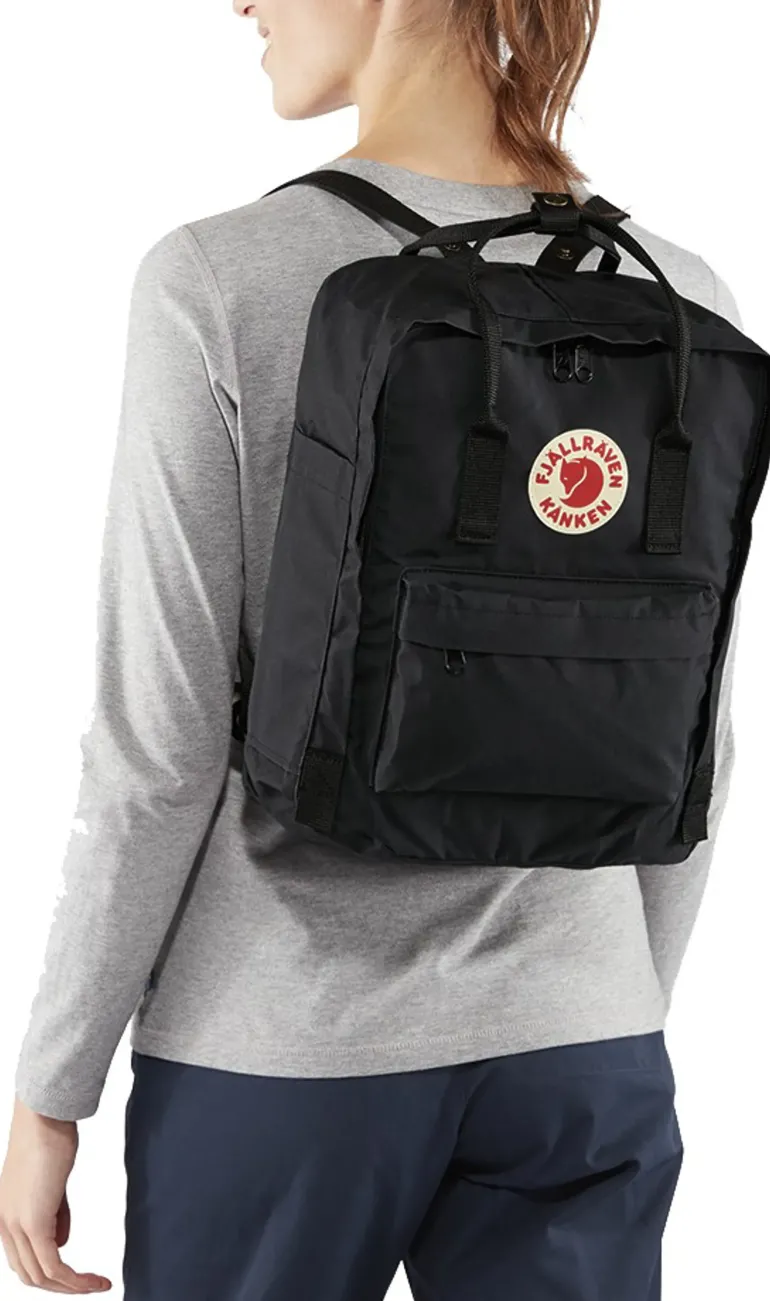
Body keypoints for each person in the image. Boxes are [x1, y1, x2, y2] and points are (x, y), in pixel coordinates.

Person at [0, 0, 743, 1296]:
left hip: (280, 1055)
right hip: (584, 1060)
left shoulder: (222, 279)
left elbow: (157, 753)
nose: (240, 0)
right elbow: (698, 740)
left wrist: (53, 1086)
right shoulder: (679, 300)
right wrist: (609, 1012)